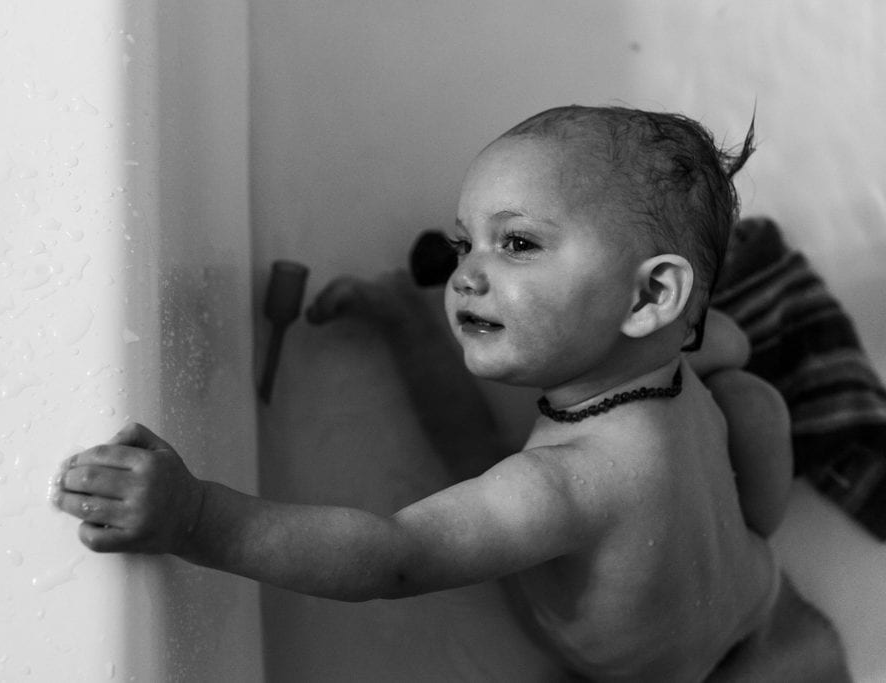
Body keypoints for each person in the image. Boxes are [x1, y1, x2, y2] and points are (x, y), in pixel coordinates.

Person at [54, 105, 847, 680]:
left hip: (636, 673)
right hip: (770, 614)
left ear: (649, 297)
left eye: (518, 243)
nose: (466, 273)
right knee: (754, 402)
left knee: (483, 465)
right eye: (467, 243)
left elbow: (394, 555)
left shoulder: (562, 483)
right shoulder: (691, 355)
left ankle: (406, 333)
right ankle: (406, 329)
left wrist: (196, 516)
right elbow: (729, 346)